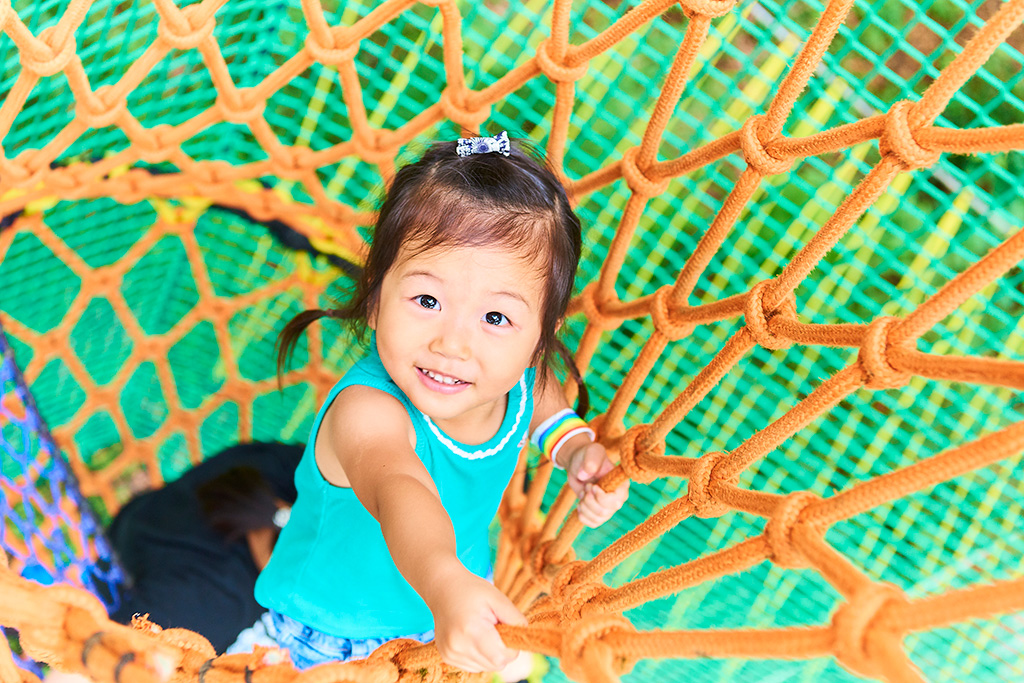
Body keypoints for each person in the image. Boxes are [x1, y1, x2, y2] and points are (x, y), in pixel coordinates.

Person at [236, 131, 630, 674]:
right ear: (375, 301)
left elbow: (544, 403)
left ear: (539, 336)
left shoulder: (521, 381)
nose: (452, 344)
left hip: (447, 606)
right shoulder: (367, 413)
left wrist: (575, 447)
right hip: (327, 640)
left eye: (496, 318)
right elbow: (400, 490)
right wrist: (447, 583)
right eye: (427, 300)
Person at [107, 441, 302, 653]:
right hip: (115, 568)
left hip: (139, 517)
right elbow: (116, 651)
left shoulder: (290, 465)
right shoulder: (216, 604)